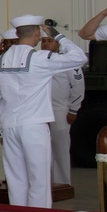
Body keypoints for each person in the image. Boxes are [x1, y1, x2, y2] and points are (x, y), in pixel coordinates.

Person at [0, 15, 87, 208]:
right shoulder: (41, 58)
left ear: (16, 34)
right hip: (34, 124)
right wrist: (58, 36)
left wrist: (0, 128)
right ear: (36, 33)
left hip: (9, 125)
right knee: (39, 178)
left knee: (16, 179)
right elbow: (79, 57)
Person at [40, 35, 84, 186]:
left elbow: (78, 86)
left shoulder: (67, 61)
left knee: (60, 148)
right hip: (39, 110)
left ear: (58, 44)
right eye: (43, 41)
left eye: (49, 41)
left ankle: (62, 183)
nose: (45, 44)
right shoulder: (37, 60)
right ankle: (44, 182)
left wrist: (73, 109)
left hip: (59, 109)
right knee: (41, 148)